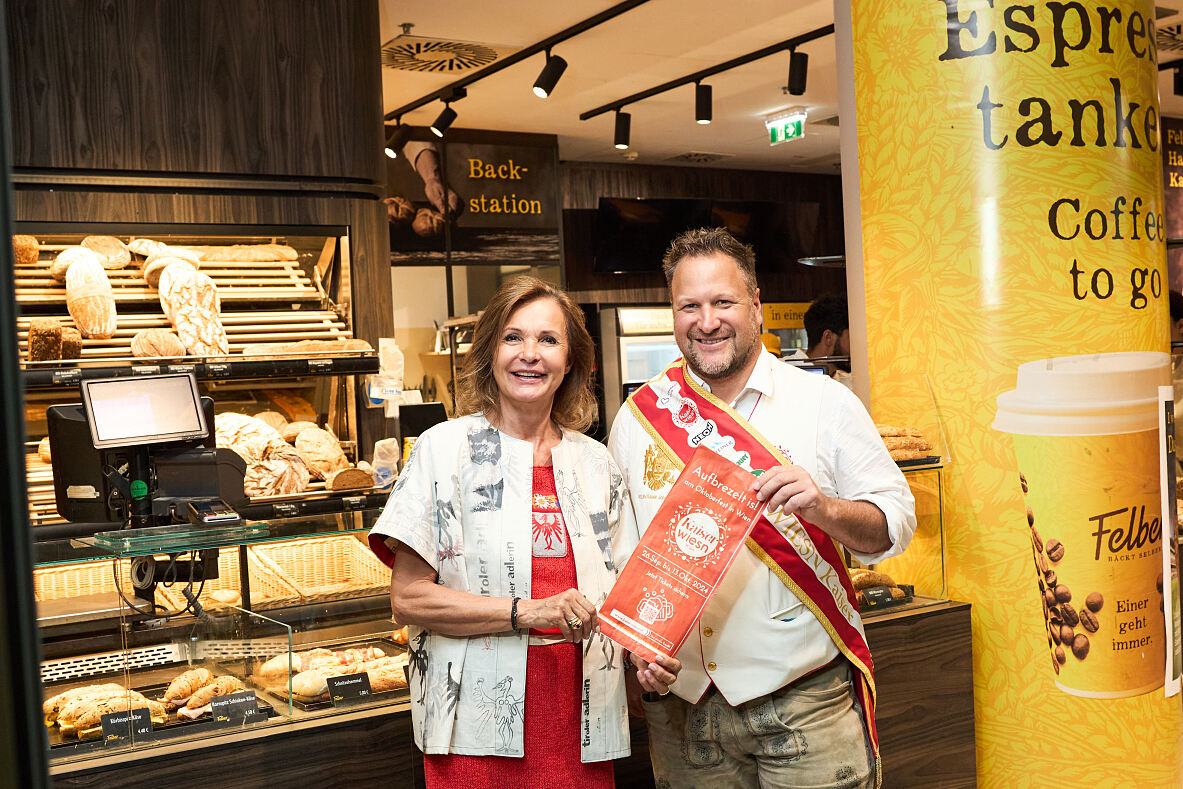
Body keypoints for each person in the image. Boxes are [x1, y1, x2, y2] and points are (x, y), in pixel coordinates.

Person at [608, 228, 916, 789]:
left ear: (755, 305)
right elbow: (623, 560)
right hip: (683, 712)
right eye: (689, 306)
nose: (707, 321)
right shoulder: (639, 418)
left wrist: (825, 509)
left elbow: (893, 526)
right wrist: (638, 650)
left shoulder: (823, 402)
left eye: (723, 302)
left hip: (804, 703)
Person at [367, 276, 679, 789]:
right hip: (472, 727)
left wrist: (646, 656)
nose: (529, 354)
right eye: (513, 338)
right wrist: (527, 611)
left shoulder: (596, 463)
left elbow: (628, 599)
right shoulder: (441, 450)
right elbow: (409, 599)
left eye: (548, 340)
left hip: (582, 721)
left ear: (572, 360)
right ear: (490, 353)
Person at [785, 293, 853, 388]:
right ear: (828, 338)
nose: (855, 347)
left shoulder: (848, 383)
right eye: (850, 338)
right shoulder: (783, 373)